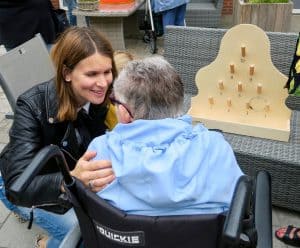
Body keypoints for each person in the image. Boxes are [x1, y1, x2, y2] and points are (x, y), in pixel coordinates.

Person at [0, 26, 117, 247]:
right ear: (67, 73)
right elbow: (16, 186)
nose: (103, 83)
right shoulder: (31, 106)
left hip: (73, 177)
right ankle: (48, 243)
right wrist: (69, 180)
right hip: (25, 189)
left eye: (107, 71)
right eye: (91, 74)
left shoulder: (98, 97)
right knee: (91, 235)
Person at [87, 56, 243, 216]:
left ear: (124, 112)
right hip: (203, 239)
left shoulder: (100, 152)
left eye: (115, 101)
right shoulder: (216, 148)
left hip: (125, 239)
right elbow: (238, 202)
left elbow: (86, 204)